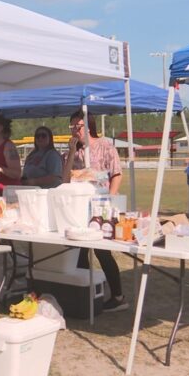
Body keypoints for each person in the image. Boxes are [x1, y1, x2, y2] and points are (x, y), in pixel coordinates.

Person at [63, 110, 127, 312]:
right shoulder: (73, 152)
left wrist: (109, 199)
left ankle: (117, 296)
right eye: (71, 127)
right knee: (79, 252)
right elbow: (65, 180)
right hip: (79, 209)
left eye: (78, 126)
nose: (75, 130)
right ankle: (86, 293)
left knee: (102, 252)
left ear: (88, 126)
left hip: (101, 207)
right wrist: (72, 152)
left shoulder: (105, 146)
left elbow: (116, 173)